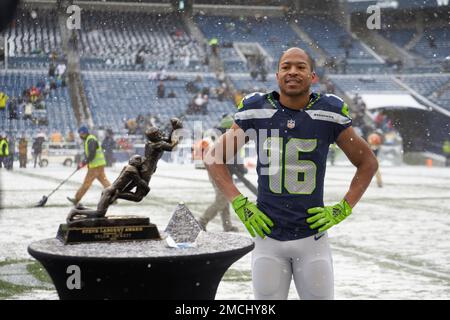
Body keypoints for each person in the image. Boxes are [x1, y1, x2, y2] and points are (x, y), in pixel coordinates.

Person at [204, 47, 378, 300]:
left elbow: (368, 163)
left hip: (312, 237)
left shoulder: (328, 112)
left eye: (300, 67)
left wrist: (343, 208)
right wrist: (239, 202)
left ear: (313, 76)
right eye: (286, 67)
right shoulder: (257, 109)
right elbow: (213, 157)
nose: (293, 72)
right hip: (267, 236)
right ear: (277, 75)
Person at [67, 126, 111, 205]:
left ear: (84, 133)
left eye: (81, 133)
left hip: (95, 166)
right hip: (99, 165)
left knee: (86, 183)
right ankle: (113, 196)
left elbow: (92, 155)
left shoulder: (90, 140)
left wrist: (83, 163)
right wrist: (83, 162)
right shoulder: (89, 139)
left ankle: (76, 199)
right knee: (104, 181)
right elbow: (89, 154)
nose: (80, 135)